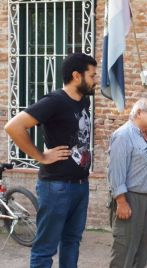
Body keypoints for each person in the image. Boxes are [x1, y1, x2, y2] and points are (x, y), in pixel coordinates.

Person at [4, 53, 97, 267]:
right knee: (46, 247)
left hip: (80, 186)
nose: (95, 80)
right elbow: (13, 126)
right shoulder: (55, 101)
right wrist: (41, 156)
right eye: (91, 75)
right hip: (56, 187)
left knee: (72, 241)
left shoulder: (83, 101)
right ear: (76, 76)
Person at [108, 98, 147, 268]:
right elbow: (115, 170)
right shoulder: (123, 135)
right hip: (130, 198)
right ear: (139, 113)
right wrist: (121, 201)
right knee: (125, 248)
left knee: (144, 246)